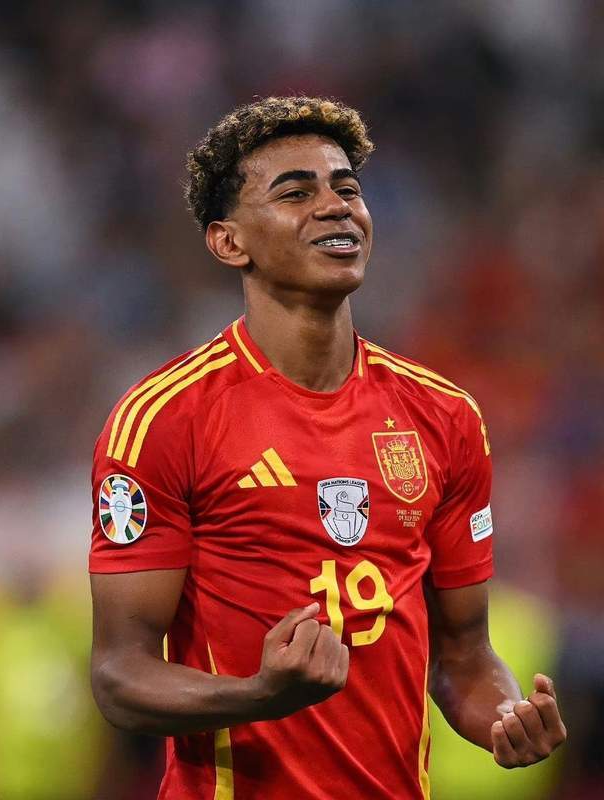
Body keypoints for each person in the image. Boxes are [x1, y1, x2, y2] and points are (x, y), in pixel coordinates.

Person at [89, 96, 566, 800]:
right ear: (229, 243)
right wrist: (259, 696)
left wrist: (505, 716)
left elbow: (464, 656)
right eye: (296, 192)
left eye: (347, 188)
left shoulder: (445, 416)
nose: (336, 207)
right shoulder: (164, 419)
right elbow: (119, 676)